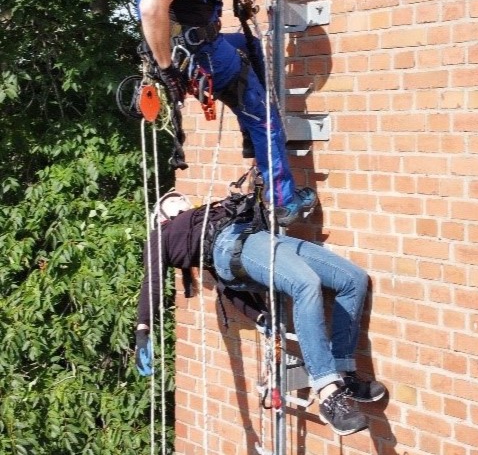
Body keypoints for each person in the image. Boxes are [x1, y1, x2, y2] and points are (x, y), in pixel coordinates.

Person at [135, 0, 315, 226]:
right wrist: (168, 70)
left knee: (251, 47)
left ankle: (252, 142)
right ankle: (284, 201)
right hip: (201, 56)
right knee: (264, 116)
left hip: (195, 46)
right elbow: (151, 7)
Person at [134, 187, 387, 436]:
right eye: (173, 202)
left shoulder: (205, 215)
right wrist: (142, 328)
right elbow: (152, 281)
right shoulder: (161, 235)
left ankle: (344, 371)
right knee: (306, 284)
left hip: (257, 234)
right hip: (229, 244)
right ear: (161, 217)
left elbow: (228, 289)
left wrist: (258, 315)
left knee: (352, 279)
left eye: (183, 201)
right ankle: (328, 394)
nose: (180, 201)